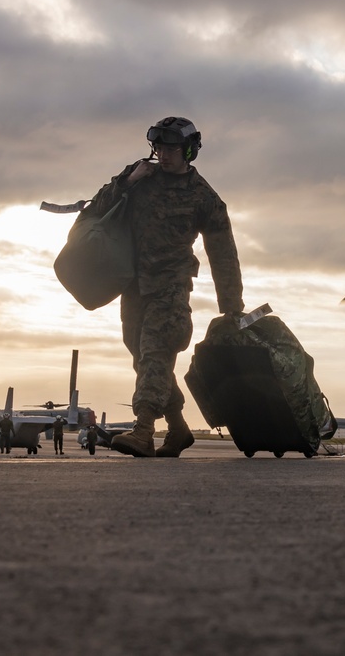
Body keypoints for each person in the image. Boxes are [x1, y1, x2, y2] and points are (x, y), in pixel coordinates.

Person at [86, 117, 244, 458]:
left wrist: (231, 305)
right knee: (141, 357)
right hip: (133, 284)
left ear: (188, 151)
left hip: (171, 286)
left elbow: (223, 252)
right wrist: (128, 181)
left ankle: (143, 430)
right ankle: (179, 428)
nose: (164, 155)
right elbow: (97, 207)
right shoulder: (139, 175)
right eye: (159, 148)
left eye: (172, 148)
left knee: (157, 352)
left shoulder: (203, 197)